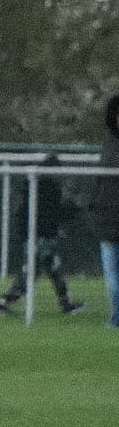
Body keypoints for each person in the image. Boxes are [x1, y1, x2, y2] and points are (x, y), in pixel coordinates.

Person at [0, 156, 86, 317]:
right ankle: (3, 304)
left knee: (53, 269)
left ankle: (66, 304)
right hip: (41, 238)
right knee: (32, 271)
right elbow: (54, 214)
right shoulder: (47, 189)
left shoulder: (34, 188)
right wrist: (75, 208)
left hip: (39, 236)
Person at [94, 94, 119, 329]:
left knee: (113, 277)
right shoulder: (108, 142)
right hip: (108, 221)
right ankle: (116, 317)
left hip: (108, 220)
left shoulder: (109, 144)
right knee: (112, 278)